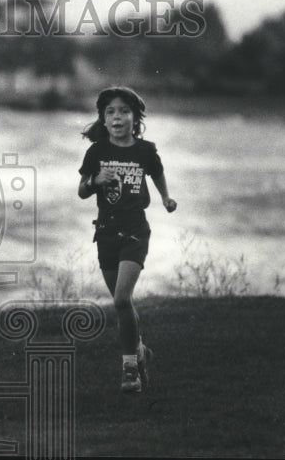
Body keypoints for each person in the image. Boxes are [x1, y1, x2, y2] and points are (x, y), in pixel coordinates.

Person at [78, 87, 177, 393]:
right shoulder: (96, 151)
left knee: (122, 298)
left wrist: (165, 198)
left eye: (124, 111)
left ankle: (129, 369)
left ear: (135, 118)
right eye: (110, 111)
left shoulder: (145, 150)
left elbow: (157, 173)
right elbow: (82, 190)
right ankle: (141, 350)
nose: (117, 116)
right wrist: (96, 181)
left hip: (135, 230)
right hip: (106, 232)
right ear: (103, 119)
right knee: (123, 306)